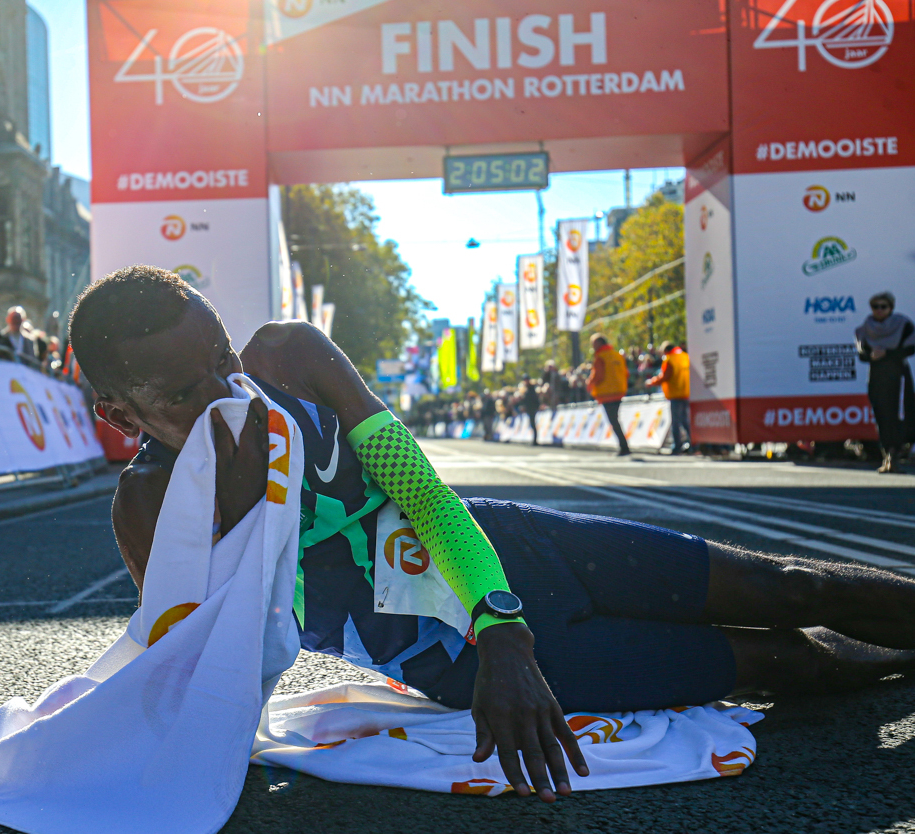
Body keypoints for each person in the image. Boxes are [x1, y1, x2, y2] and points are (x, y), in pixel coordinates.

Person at [70, 266, 915, 804]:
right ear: (119, 415)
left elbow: (424, 495)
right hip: (454, 663)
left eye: (222, 358)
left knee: (790, 586)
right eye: (184, 394)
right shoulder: (150, 508)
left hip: (509, 562)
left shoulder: (290, 356)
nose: (226, 392)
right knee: (780, 664)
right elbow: (200, 667)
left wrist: (504, 629)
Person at [856, 292, 914, 474]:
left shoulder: (903, 324)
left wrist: (887, 354)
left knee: (898, 416)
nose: (879, 310)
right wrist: (871, 355)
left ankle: (896, 456)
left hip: (898, 375)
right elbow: (862, 353)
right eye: (876, 307)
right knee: (882, 416)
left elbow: (911, 348)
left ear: (891, 308)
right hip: (877, 376)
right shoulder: (865, 328)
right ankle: (886, 455)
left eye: (883, 307)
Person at [588, 333, 631, 456]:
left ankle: (624, 447)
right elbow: (626, 373)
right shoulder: (617, 355)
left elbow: (598, 376)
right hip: (619, 391)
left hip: (607, 394)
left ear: (599, 343)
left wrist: (589, 383)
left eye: (593, 344)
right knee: (615, 420)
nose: (593, 347)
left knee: (613, 421)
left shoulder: (600, 357)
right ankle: (624, 446)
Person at [647, 340, 692, 454]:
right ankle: (694, 443)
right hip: (686, 392)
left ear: (666, 351)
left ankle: (677, 446)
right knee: (685, 421)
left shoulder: (669, 359)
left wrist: (652, 382)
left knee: (675, 422)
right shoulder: (684, 356)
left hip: (675, 393)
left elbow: (665, 376)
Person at [519, 375, 541, 446]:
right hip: (528, 408)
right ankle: (534, 439)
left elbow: (534, 398)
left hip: (532, 408)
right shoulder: (525, 388)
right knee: (531, 424)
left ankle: (535, 440)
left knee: (533, 423)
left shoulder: (531, 388)